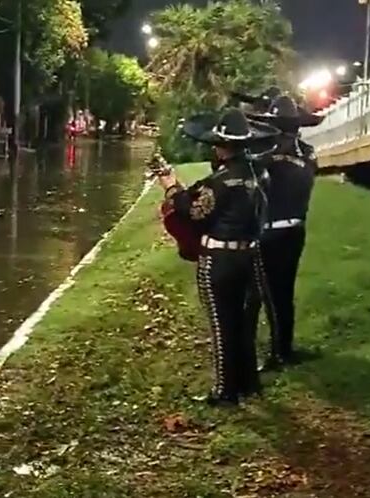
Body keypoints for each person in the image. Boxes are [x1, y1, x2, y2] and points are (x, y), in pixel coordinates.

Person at [156, 108, 279, 406]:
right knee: (243, 323)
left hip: (219, 262)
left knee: (222, 325)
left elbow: (193, 212)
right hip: (250, 256)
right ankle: (249, 383)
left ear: (223, 146)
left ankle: (225, 391)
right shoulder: (259, 173)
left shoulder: (220, 181)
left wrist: (171, 186)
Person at [244, 94, 323, 370]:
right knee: (284, 292)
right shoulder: (308, 152)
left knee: (267, 294)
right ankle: (284, 349)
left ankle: (277, 354)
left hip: (269, 233)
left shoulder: (264, 153)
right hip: (295, 230)